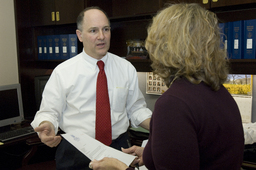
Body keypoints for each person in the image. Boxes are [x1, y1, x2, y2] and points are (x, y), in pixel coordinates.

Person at [89, 3, 244, 170]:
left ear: (163, 46)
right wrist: (152, 154)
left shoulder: (174, 104)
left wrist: (119, 167)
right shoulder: (219, 92)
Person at [31, 6, 152, 170]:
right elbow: (49, 111)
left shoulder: (126, 68)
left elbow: (136, 109)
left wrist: (160, 125)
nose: (101, 36)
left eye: (106, 29)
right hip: (76, 151)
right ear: (80, 35)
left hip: (119, 147)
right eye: (93, 30)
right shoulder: (63, 72)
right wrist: (47, 124)